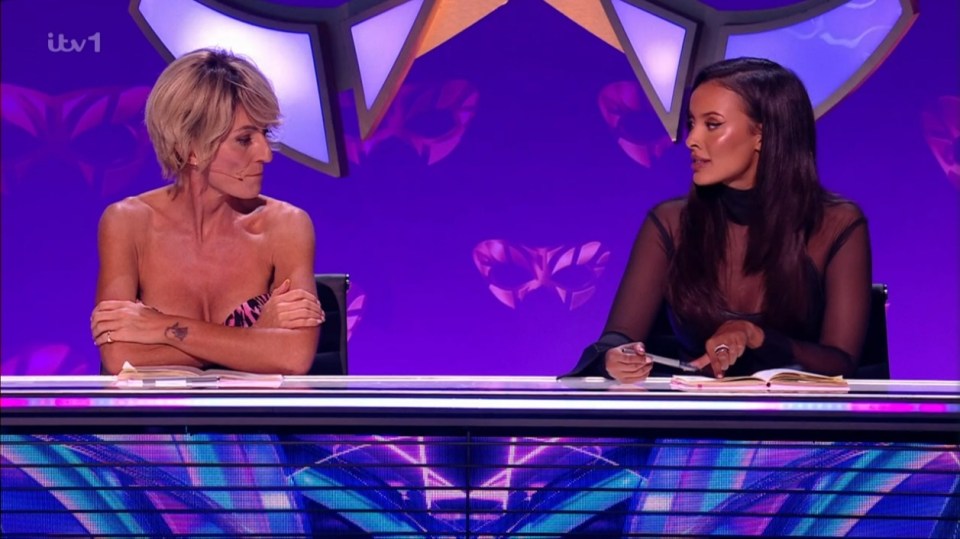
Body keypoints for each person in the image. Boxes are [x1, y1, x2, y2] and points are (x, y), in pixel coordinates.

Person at [566, 57, 872, 383]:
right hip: (693, 427)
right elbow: (618, 338)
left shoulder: (838, 224)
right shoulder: (670, 223)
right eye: (692, 123)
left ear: (762, 135)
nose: (691, 140)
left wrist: (757, 337)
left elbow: (842, 363)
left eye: (712, 124)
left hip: (800, 427)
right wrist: (614, 357)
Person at [91, 49, 324, 375]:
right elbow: (121, 358)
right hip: (153, 424)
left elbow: (293, 356)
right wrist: (254, 340)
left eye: (265, 135)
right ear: (190, 149)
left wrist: (161, 329)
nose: (265, 155)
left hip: (254, 424)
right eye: (244, 139)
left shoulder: (285, 226)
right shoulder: (128, 222)